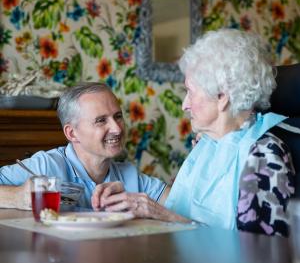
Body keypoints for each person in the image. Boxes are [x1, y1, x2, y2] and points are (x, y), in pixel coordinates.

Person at [91, 29, 295, 237]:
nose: (184, 105)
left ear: (222, 97)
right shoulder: (208, 143)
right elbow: (183, 206)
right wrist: (130, 199)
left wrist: (165, 216)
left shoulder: (264, 156)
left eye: (190, 91)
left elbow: (260, 253)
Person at [0, 82, 172, 213]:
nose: (117, 129)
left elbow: (184, 204)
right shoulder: (45, 166)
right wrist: (17, 197)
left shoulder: (130, 176)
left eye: (118, 116)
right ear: (72, 133)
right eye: (101, 120)